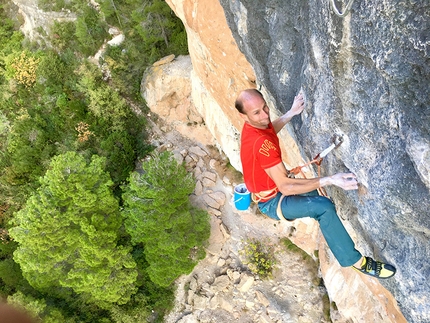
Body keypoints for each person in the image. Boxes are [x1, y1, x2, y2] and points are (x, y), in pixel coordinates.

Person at [235, 88, 396, 279]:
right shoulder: (262, 144)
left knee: (318, 197)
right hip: (271, 201)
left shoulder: (253, 127)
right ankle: (356, 262)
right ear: (243, 115)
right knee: (324, 207)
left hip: (273, 190)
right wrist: (330, 179)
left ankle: (336, 233)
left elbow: (269, 130)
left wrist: (291, 113)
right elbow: (286, 186)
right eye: (256, 112)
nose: (264, 115)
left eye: (265, 107)